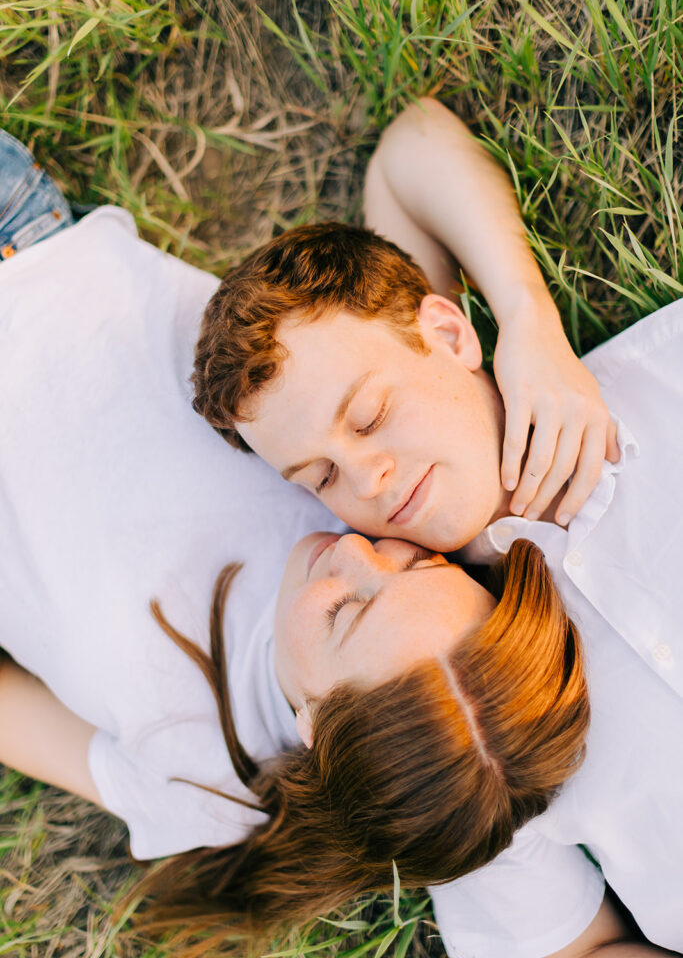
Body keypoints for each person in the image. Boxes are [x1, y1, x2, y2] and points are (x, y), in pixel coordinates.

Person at [192, 99, 683, 954]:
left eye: (372, 416)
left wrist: (529, 320)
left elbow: (411, 151)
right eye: (319, 477)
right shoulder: (442, 723)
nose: (367, 480)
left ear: (449, 333)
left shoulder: (656, 385)